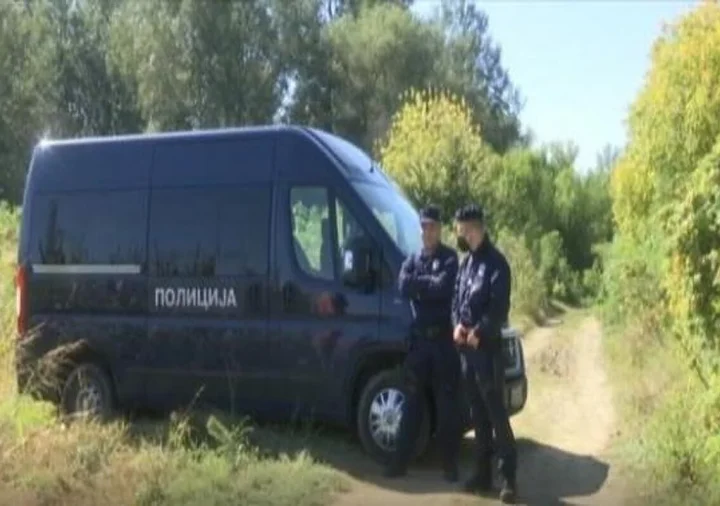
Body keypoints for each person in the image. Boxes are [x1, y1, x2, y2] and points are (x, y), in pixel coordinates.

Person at [383, 205, 462, 482]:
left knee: (446, 407)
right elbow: (403, 286)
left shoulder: (450, 258)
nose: (428, 232)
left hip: (442, 343)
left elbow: (444, 287)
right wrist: (427, 284)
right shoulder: (412, 259)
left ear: (440, 229)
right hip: (419, 344)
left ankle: (449, 465)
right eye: (424, 227)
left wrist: (420, 286)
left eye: (432, 227)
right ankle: (399, 463)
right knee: (412, 403)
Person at [452, 204, 518, 504]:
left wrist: (479, 330)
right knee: (476, 414)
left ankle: (509, 478)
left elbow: (499, 308)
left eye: (463, 230)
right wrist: (456, 324)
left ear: (474, 228)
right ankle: (482, 474)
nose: (460, 235)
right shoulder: (466, 264)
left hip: (487, 351)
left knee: (495, 414)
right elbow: (456, 301)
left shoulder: (497, 264)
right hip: (467, 351)